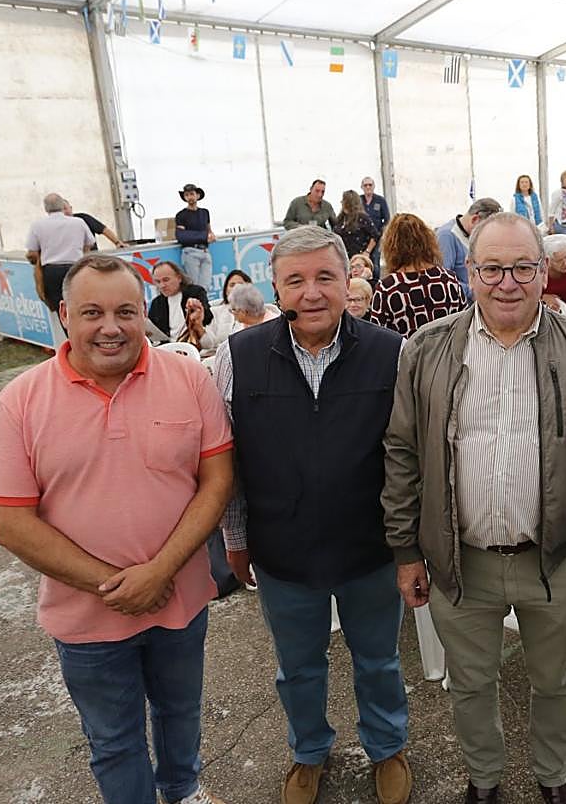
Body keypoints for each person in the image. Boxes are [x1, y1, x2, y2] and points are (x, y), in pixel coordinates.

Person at [0, 253, 234, 804]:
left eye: (125, 311)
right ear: (64, 315)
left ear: (143, 312)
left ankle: (184, 790)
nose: (111, 327)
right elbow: (11, 523)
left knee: (180, 712)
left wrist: (160, 572)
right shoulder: (20, 402)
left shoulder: (190, 379)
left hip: (181, 599)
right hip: (86, 617)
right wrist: (117, 584)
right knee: (115, 740)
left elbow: (217, 481)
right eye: (92, 312)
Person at [383, 211, 566, 804]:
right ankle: (484, 780)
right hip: (461, 560)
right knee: (471, 683)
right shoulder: (426, 349)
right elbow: (403, 452)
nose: (507, 283)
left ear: (544, 273)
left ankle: (553, 775)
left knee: (556, 681)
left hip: (554, 559)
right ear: (469, 273)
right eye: (492, 269)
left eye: (522, 268)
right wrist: (407, 550)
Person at [214, 226, 413, 804]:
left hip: (368, 547)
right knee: (297, 666)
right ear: (275, 287)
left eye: (325, 277)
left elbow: (408, 459)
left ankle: (387, 746)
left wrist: (409, 546)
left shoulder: (391, 351)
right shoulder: (238, 356)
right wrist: (236, 538)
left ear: (347, 281)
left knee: (378, 660)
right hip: (283, 549)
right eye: (295, 280)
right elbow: (230, 460)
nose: (312, 292)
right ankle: (308, 752)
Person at [370, 213, 468, 339]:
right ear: (427, 241)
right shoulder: (449, 280)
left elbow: (377, 336)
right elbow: (464, 326)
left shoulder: (388, 288)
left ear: (391, 246)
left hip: (407, 351)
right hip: (447, 351)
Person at [25, 192, 95, 312]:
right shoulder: (78, 222)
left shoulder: (37, 225)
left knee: (59, 307)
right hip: (75, 268)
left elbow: (32, 252)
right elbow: (90, 243)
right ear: (62, 205)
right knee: (80, 304)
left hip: (51, 271)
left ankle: (64, 324)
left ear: (45, 208)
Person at [437, 198, 502, 301]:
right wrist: (472, 292)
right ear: (474, 220)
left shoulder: (470, 234)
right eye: (486, 229)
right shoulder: (447, 236)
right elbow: (442, 279)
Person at [207, 269, 279, 347]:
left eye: (240, 284)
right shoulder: (214, 312)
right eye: (232, 285)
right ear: (225, 290)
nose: (236, 288)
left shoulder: (269, 317)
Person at [148, 261, 214, 346]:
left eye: (166, 280)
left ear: (179, 278)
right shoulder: (156, 303)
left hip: (194, 344)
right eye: (158, 282)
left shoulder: (195, 292)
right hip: (169, 347)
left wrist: (198, 311)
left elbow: (208, 319)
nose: (162, 285)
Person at [175, 184, 216, 290]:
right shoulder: (181, 215)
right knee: (194, 287)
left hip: (205, 251)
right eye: (187, 195)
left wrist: (211, 236)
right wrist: (204, 236)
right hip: (190, 252)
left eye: (192, 194)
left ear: (197, 195)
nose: (190, 197)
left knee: (205, 286)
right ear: (184, 197)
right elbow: (181, 236)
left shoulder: (205, 212)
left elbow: (209, 230)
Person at [336, 189, 380, 266]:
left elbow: (375, 235)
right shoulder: (341, 218)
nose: (341, 202)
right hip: (343, 258)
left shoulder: (362, 218)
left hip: (358, 258)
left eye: (344, 200)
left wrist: (367, 251)